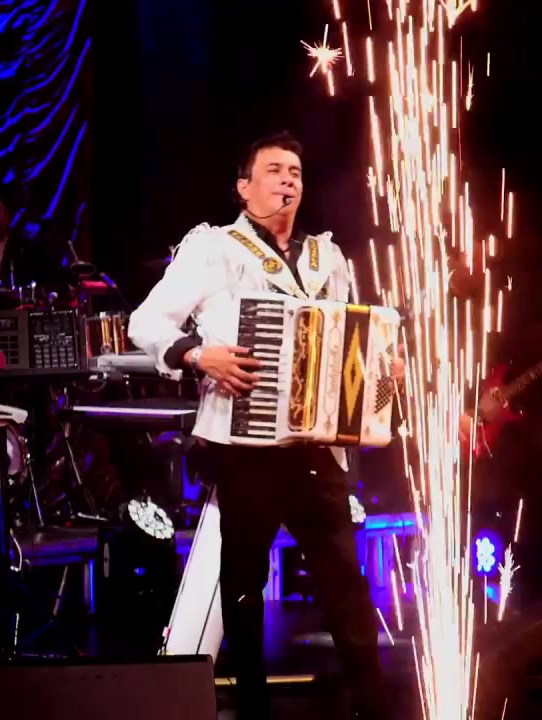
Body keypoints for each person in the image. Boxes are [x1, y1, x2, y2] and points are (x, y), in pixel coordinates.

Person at [129, 132, 397, 720]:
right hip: (245, 447)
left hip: (316, 448)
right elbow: (146, 322)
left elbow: (348, 345)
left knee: (345, 585)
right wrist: (198, 354)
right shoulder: (214, 249)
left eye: (295, 171)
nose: (288, 180)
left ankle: (374, 708)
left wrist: (381, 367)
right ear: (243, 187)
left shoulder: (328, 259)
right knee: (244, 585)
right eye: (274, 170)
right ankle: (253, 709)